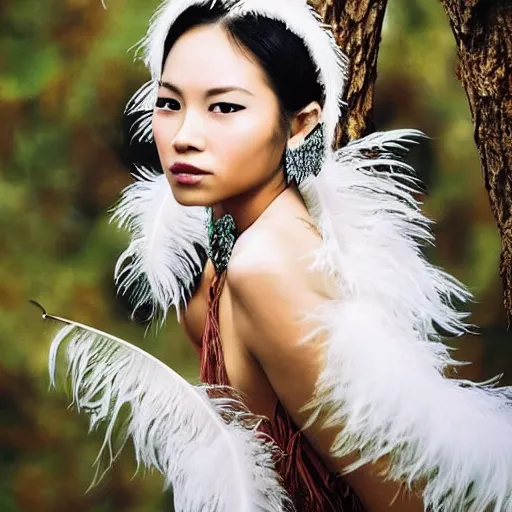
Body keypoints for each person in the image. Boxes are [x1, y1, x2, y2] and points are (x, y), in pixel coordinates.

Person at [41, 1, 512, 511]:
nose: (183, 137)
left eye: (225, 108)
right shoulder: (221, 255)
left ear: (301, 124)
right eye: (169, 103)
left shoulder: (266, 267)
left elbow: (409, 503)